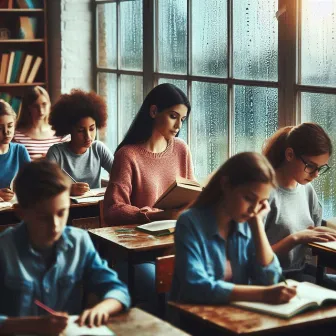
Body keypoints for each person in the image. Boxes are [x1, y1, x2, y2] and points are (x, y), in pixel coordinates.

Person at [0, 160, 130, 335]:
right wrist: (34, 326)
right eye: (43, 217)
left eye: (62, 212)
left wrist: (102, 309)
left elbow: (117, 290)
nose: (55, 226)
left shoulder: (79, 242)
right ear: (20, 213)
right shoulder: (4, 248)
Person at [170, 152, 296, 305]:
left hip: (235, 319)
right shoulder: (189, 222)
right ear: (226, 185)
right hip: (193, 321)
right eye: (249, 199)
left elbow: (271, 280)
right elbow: (195, 286)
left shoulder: (248, 222)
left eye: (261, 202)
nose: (254, 209)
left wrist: (257, 225)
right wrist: (262, 295)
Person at [103, 83, 195, 225]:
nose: (179, 125)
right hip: (141, 241)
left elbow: (191, 197)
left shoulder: (181, 149)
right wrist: (157, 216)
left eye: (182, 119)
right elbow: (113, 210)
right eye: (173, 116)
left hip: (176, 235)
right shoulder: (127, 155)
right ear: (153, 111)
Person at [262, 123, 336, 282]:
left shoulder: (306, 190)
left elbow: (313, 231)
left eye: (321, 168)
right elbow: (248, 258)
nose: (316, 174)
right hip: (270, 277)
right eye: (311, 166)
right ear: (289, 155)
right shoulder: (264, 194)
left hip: (300, 271)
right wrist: (296, 238)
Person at [46, 89, 114, 196]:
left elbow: (120, 173)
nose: (88, 136)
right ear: (69, 129)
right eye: (80, 130)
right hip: (67, 209)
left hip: (96, 207)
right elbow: (45, 185)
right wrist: (68, 189)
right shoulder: (56, 153)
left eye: (92, 129)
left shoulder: (98, 149)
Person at [13, 86, 70, 160]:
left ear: (49, 104)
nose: (41, 111)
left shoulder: (61, 134)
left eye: (44, 104)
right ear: (28, 107)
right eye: (35, 106)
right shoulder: (16, 137)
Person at [0, 100, 30, 202]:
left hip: (16, 207)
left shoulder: (20, 150)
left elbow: (32, 182)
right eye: (0, 128)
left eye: (10, 126)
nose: (6, 132)